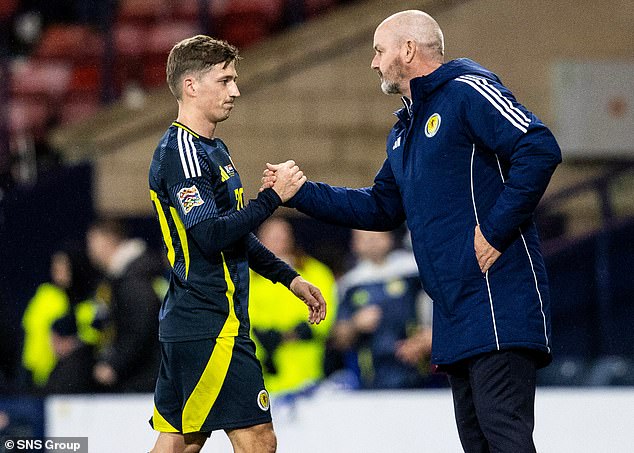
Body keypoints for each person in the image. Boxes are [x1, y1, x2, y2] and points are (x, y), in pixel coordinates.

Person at [263, 10, 562, 453]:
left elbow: (539, 147)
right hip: (453, 310)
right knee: (479, 443)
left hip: (498, 298)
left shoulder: (467, 89)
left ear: (408, 50)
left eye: (378, 51)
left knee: (505, 440)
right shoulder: (404, 130)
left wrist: (496, 232)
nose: (373, 63)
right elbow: (381, 207)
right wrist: (303, 193)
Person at [147, 35, 326, 453]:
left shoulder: (213, 149)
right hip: (210, 325)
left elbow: (233, 235)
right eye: (225, 80)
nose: (236, 91)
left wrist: (289, 279)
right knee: (259, 440)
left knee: (181, 442)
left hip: (197, 323)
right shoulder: (183, 152)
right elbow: (209, 235)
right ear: (191, 86)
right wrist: (272, 198)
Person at [334, 229, 436, 389]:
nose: (372, 240)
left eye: (376, 234)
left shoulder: (414, 270)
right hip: (372, 378)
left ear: (389, 237)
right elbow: (337, 338)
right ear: (354, 243)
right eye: (364, 237)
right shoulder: (349, 283)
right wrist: (355, 324)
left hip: (418, 370)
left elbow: (442, 305)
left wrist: (430, 335)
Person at [249, 216, 337, 395]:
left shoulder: (315, 271)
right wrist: (266, 338)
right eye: (272, 235)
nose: (278, 240)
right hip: (265, 376)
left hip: (309, 374)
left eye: (283, 235)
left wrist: (291, 334)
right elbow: (244, 316)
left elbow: (326, 311)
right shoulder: (247, 276)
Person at [86, 218, 163, 393]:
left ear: (106, 240)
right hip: (146, 373)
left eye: (92, 241)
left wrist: (115, 364)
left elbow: (141, 326)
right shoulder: (129, 274)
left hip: (144, 377)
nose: (89, 249)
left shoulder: (133, 277)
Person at [21, 245, 98, 390]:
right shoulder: (47, 295)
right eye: (56, 266)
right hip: (40, 373)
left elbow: (94, 335)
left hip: (74, 374)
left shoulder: (90, 300)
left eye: (64, 265)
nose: (58, 271)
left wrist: (75, 343)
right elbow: (33, 334)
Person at [40, 313, 97, 394]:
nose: (51, 344)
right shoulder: (87, 357)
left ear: (66, 339)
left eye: (54, 339)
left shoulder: (73, 368)